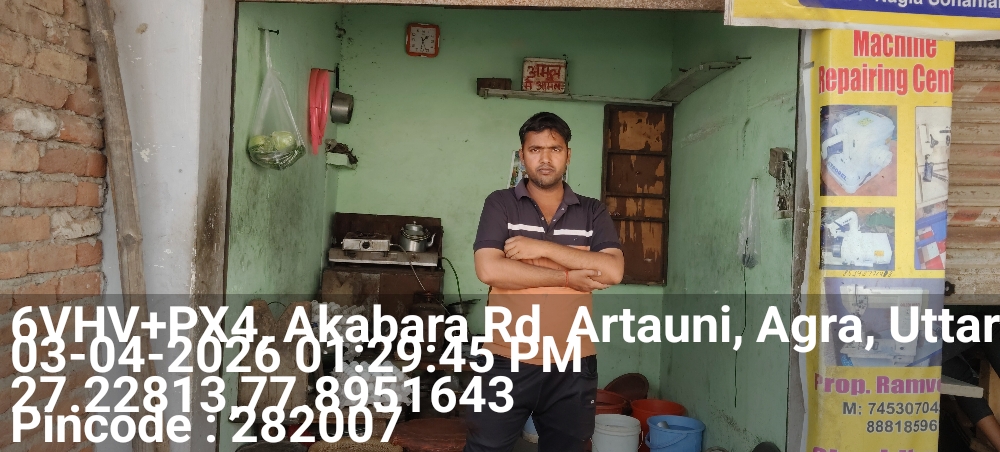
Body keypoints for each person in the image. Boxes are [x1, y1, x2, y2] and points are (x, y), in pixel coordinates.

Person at [465, 112, 625, 452]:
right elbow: (490, 270)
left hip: (573, 364)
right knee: (485, 448)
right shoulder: (501, 204)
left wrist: (541, 248)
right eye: (535, 149)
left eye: (555, 149)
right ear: (522, 156)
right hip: (505, 358)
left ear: (568, 155)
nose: (545, 158)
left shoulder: (592, 211)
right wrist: (567, 276)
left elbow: (612, 271)